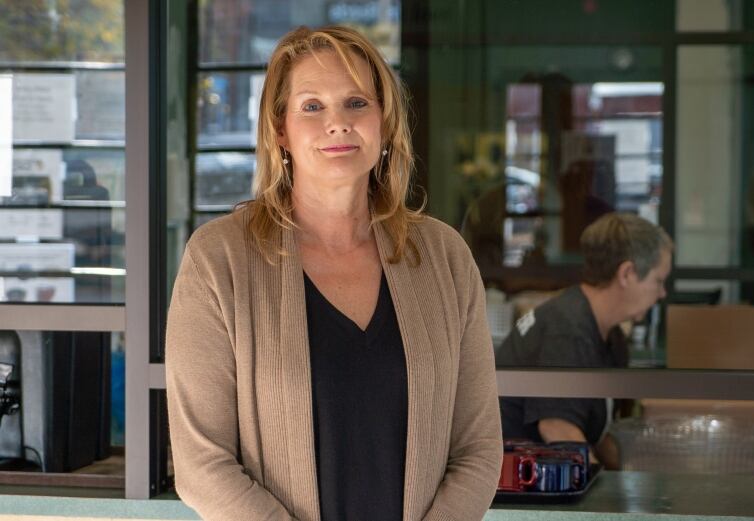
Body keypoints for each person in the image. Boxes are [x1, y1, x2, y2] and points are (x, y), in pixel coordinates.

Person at [165, 26, 502, 521]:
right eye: (312, 106)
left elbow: (478, 450)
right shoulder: (219, 259)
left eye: (357, 103)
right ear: (279, 128)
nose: (338, 123)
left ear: (384, 122)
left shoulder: (444, 257)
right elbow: (202, 465)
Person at [495, 212, 672, 467]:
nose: (662, 293)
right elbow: (559, 430)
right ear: (627, 273)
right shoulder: (568, 329)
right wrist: (607, 499)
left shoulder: (609, 336)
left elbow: (596, 437)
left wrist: (627, 474)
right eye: (658, 280)